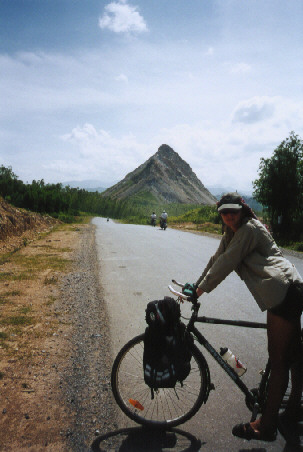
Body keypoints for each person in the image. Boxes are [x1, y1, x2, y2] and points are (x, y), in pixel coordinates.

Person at [193, 192, 303, 442]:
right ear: (220, 214)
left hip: (284, 292)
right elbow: (216, 259)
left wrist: (200, 291)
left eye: (233, 211)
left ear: (242, 211)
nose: (229, 215)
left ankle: (265, 427)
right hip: (289, 289)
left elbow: (227, 262)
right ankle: (295, 407)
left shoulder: (249, 229)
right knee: (294, 355)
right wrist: (195, 284)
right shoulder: (232, 233)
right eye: (224, 212)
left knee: (278, 362)